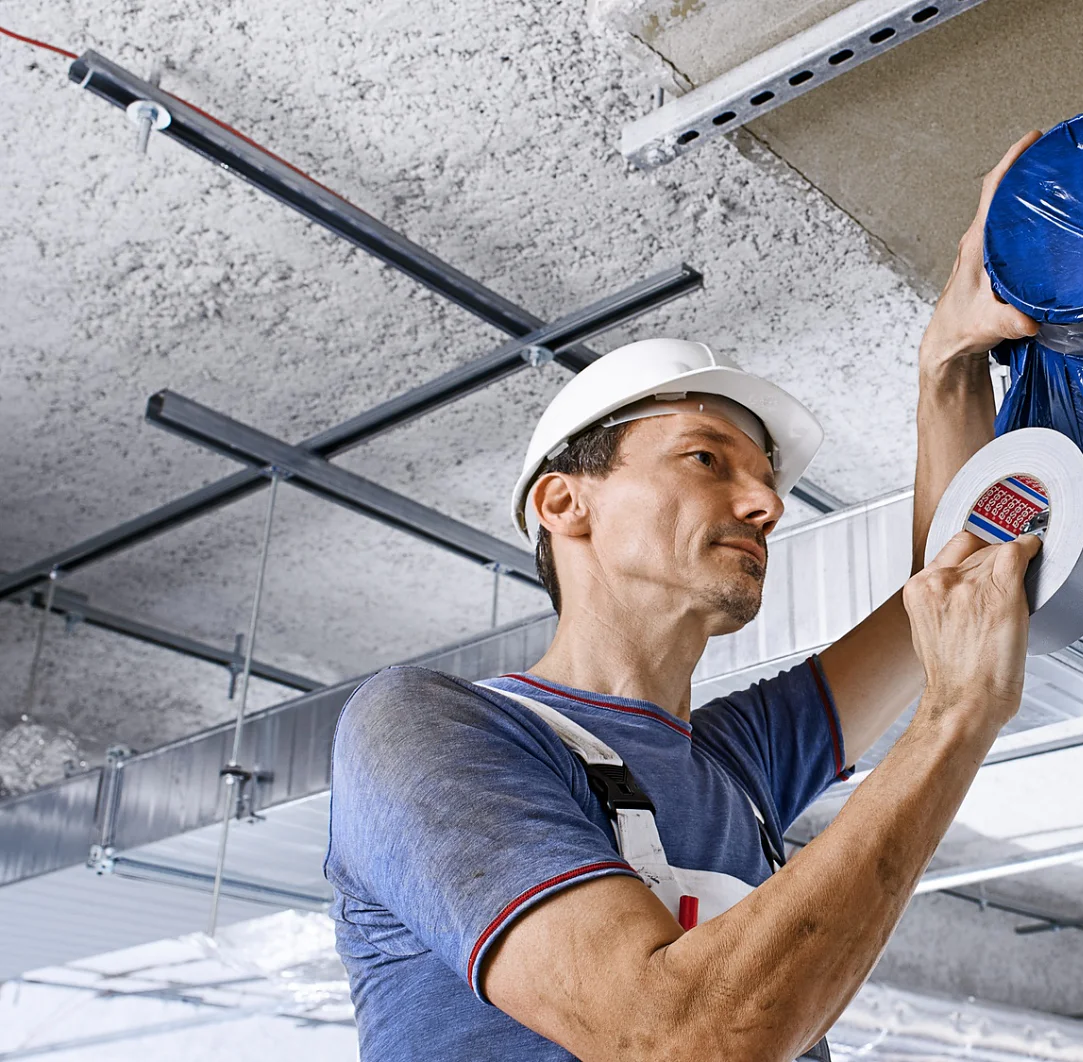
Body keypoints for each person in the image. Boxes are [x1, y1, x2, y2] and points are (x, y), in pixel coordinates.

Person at [323, 132, 1046, 1062]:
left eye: (765, 477)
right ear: (564, 502)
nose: (767, 502)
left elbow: (940, 599)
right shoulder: (423, 731)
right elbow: (677, 1041)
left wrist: (948, 359)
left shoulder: (737, 765)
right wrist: (955, 720)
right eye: (707, 458)